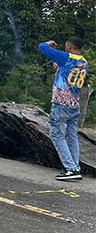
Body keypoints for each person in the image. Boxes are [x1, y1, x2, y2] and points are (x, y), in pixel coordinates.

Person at [39, 38, 89, 180]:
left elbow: (42, 47)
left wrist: (50, 44)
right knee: (72, 136)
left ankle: (71, 168)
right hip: (74, 104)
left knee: (57, 135)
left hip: (61, 103)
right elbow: (68, 72)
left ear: (69, 46)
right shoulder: (84, 62)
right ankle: (75, 167)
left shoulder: (66, 57)